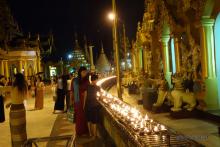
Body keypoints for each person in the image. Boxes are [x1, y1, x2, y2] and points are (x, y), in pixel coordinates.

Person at [7, 73, 28, 146]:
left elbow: (15, 98)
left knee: (15, 130)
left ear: (16, 79)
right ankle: (23, 144)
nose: (13, 79)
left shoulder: (14, 87)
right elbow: (19, 98)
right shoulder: (23, 87)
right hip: (21, 109)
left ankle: (17, 145)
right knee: (22, 129)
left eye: (14, 78)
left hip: (15, 111)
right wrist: (10, 103)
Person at [71, 67, 89, 136]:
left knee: (84, 116)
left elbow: (88, 91)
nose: (84, 73)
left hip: (85, 100)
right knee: (79, 116)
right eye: (83, 72)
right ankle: (79, 132)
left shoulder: (87, 81)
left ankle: (84, 131)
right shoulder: (75, 80)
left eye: (85, 72)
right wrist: (71, 101)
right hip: (77, 100)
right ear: (80, 72)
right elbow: (72, 91)